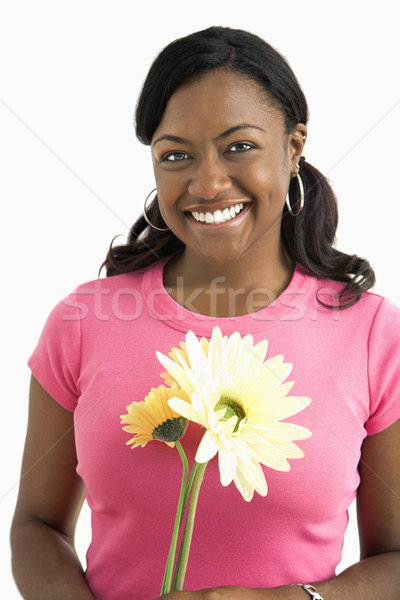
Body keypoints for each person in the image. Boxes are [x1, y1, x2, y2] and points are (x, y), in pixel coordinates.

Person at [10, 26, 400, 600]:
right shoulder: (82, 322)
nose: (209, 183)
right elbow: (35, 527)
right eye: (176, 155)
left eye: (239, 146)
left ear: (294, 148)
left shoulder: (373, 334)